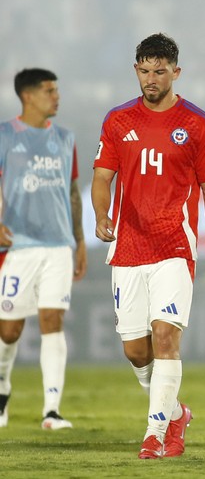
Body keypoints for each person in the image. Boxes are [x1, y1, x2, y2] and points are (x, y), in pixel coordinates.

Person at [92, 33, 205, 459]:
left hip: (174, 246)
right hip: (128, 247)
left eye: (160, 71)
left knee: (165, 336)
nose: (151, 78)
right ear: (136, 70)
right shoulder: (118, 120)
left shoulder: (197, 123)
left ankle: (154, 435)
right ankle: (175, 414)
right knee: (136, 351)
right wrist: (101, 214)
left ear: (176, 72)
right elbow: (102, 177)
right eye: (144, 70)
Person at [0, 68, 86, 430]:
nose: (56, 96)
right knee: (9, 331)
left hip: (58, 246)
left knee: (53, 321)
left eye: (56, 90)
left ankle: (52, 410)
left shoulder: (65, 139)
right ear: (28, 96)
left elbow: (72, 191)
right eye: (49, 90)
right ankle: (2, 388)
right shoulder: (5, 135)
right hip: (18, 247)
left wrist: (79, 239)